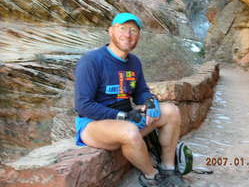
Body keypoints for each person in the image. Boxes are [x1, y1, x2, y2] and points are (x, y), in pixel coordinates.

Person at [74, 13, 189, 187]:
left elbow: (141, 91)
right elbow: (83, 105)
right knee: (128, 131)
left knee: (171, 111)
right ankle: (152, 177)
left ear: (138, 36)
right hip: (93, 125)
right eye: (122, 29)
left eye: (133, 31)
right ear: (110, 31)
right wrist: (123, 116)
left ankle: (168, 169)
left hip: (126, 119)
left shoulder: (134, 62)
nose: (128, 35)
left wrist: (151, 102)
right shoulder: (91, 61)